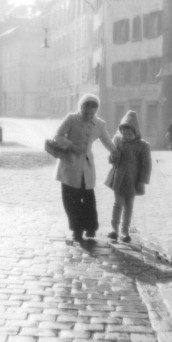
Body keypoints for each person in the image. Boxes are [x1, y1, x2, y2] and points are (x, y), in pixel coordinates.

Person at [54, 93, 116, 243]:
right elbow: (58, 135)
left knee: (88, 197)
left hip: (87, 165)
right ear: (80, 107)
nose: (88, 115)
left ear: (96, 111)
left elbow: (107, 140)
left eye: (92, 113)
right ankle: (76, 230)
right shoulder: (71, 119)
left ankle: (90, 227)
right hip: (69, 164)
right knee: (71, 199)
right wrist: (71, 146)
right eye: (85, 112)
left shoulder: (99, 124)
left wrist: (116, 151)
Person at [105, 110, 152, 243]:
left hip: (133, 180)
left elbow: (146, 165)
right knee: (117, 203)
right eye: (124, 133)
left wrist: (142, 181)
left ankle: (124, 231)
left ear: (136, 132)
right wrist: (113, 156)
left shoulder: (143, 146)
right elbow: (112, 160)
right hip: (119, 178)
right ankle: (114, 229)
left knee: (129, 206)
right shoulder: (118, 142)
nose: (127, 136)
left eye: (130, 134)